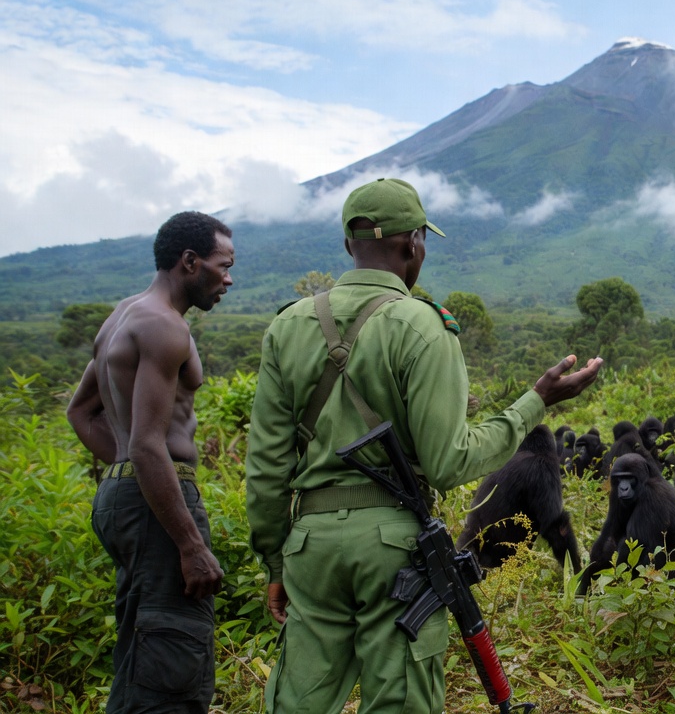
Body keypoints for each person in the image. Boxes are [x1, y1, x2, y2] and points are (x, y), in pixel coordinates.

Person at [245, 177, 602, 714]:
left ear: (349, 245)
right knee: (400, 701)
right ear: (413, 244)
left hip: (309, 545)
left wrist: (275, 564)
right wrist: (536, 401)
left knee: (298, 701)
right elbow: (448, 460)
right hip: (393, 547)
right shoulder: (423, 325)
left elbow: (267, 465)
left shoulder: (288, 327)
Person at [66, 211, 234, 713]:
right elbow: (146, 443)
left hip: (124, 497)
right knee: (172, 655)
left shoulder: (123, 315)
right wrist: (189, 543)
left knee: (143, 643)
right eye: (222, 266)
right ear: (189, 262)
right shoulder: (165, 328)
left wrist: (126, 473)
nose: (228, 278)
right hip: (157, 500)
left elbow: (81, 412)